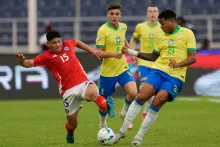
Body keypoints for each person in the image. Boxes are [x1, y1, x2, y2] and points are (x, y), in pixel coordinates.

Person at [114, 10, 197, 145]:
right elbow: (153, 56)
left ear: (171, 21)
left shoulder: (188, 33)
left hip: (176, 77)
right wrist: (130, 51)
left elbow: (193, 57)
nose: (161, 27)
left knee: (158, 100)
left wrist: (178, 64)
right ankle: (122, 131)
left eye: (163, 24)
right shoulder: (161, 36)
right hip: (158, 70)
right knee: (142, 95)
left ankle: (138, 136)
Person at [15, 30, 107, 144]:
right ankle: (70, 131)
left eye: (59, 41)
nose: (58, 44)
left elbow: (77, 42)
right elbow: (28, 64)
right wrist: (21, 61)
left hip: (83, 82)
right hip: (68, 91)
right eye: (54, 43)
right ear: (48, 44)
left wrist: (92, 51)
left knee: (99, 100)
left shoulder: (68, 44)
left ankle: (106, 110)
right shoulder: (46, 57)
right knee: (73, 125)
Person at [96, 2, 137, 130]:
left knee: (133, 92)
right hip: (107, 72)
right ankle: (103, 122)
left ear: (120, 15)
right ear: (108, 15)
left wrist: (131, 52)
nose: (114, 16)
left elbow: (124, 40)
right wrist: (115, 54)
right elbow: (99, 52)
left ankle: (124, 113)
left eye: (117, 14)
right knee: (103, 104)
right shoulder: (102, 30)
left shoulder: (123, 27)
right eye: (112, 14)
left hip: (122, 68)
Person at [129, 4, 162, 120]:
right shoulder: (140, 27)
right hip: (143, 62)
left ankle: (145, 111)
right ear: (147, 14)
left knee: (153, 91)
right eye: (150, 11)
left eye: (155, 11)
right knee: (144, 88)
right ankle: (138, 113)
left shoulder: (162, 27)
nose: (153, 13)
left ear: (158, 14)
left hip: (157, 63)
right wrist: (132, 52)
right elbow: (133, 39)